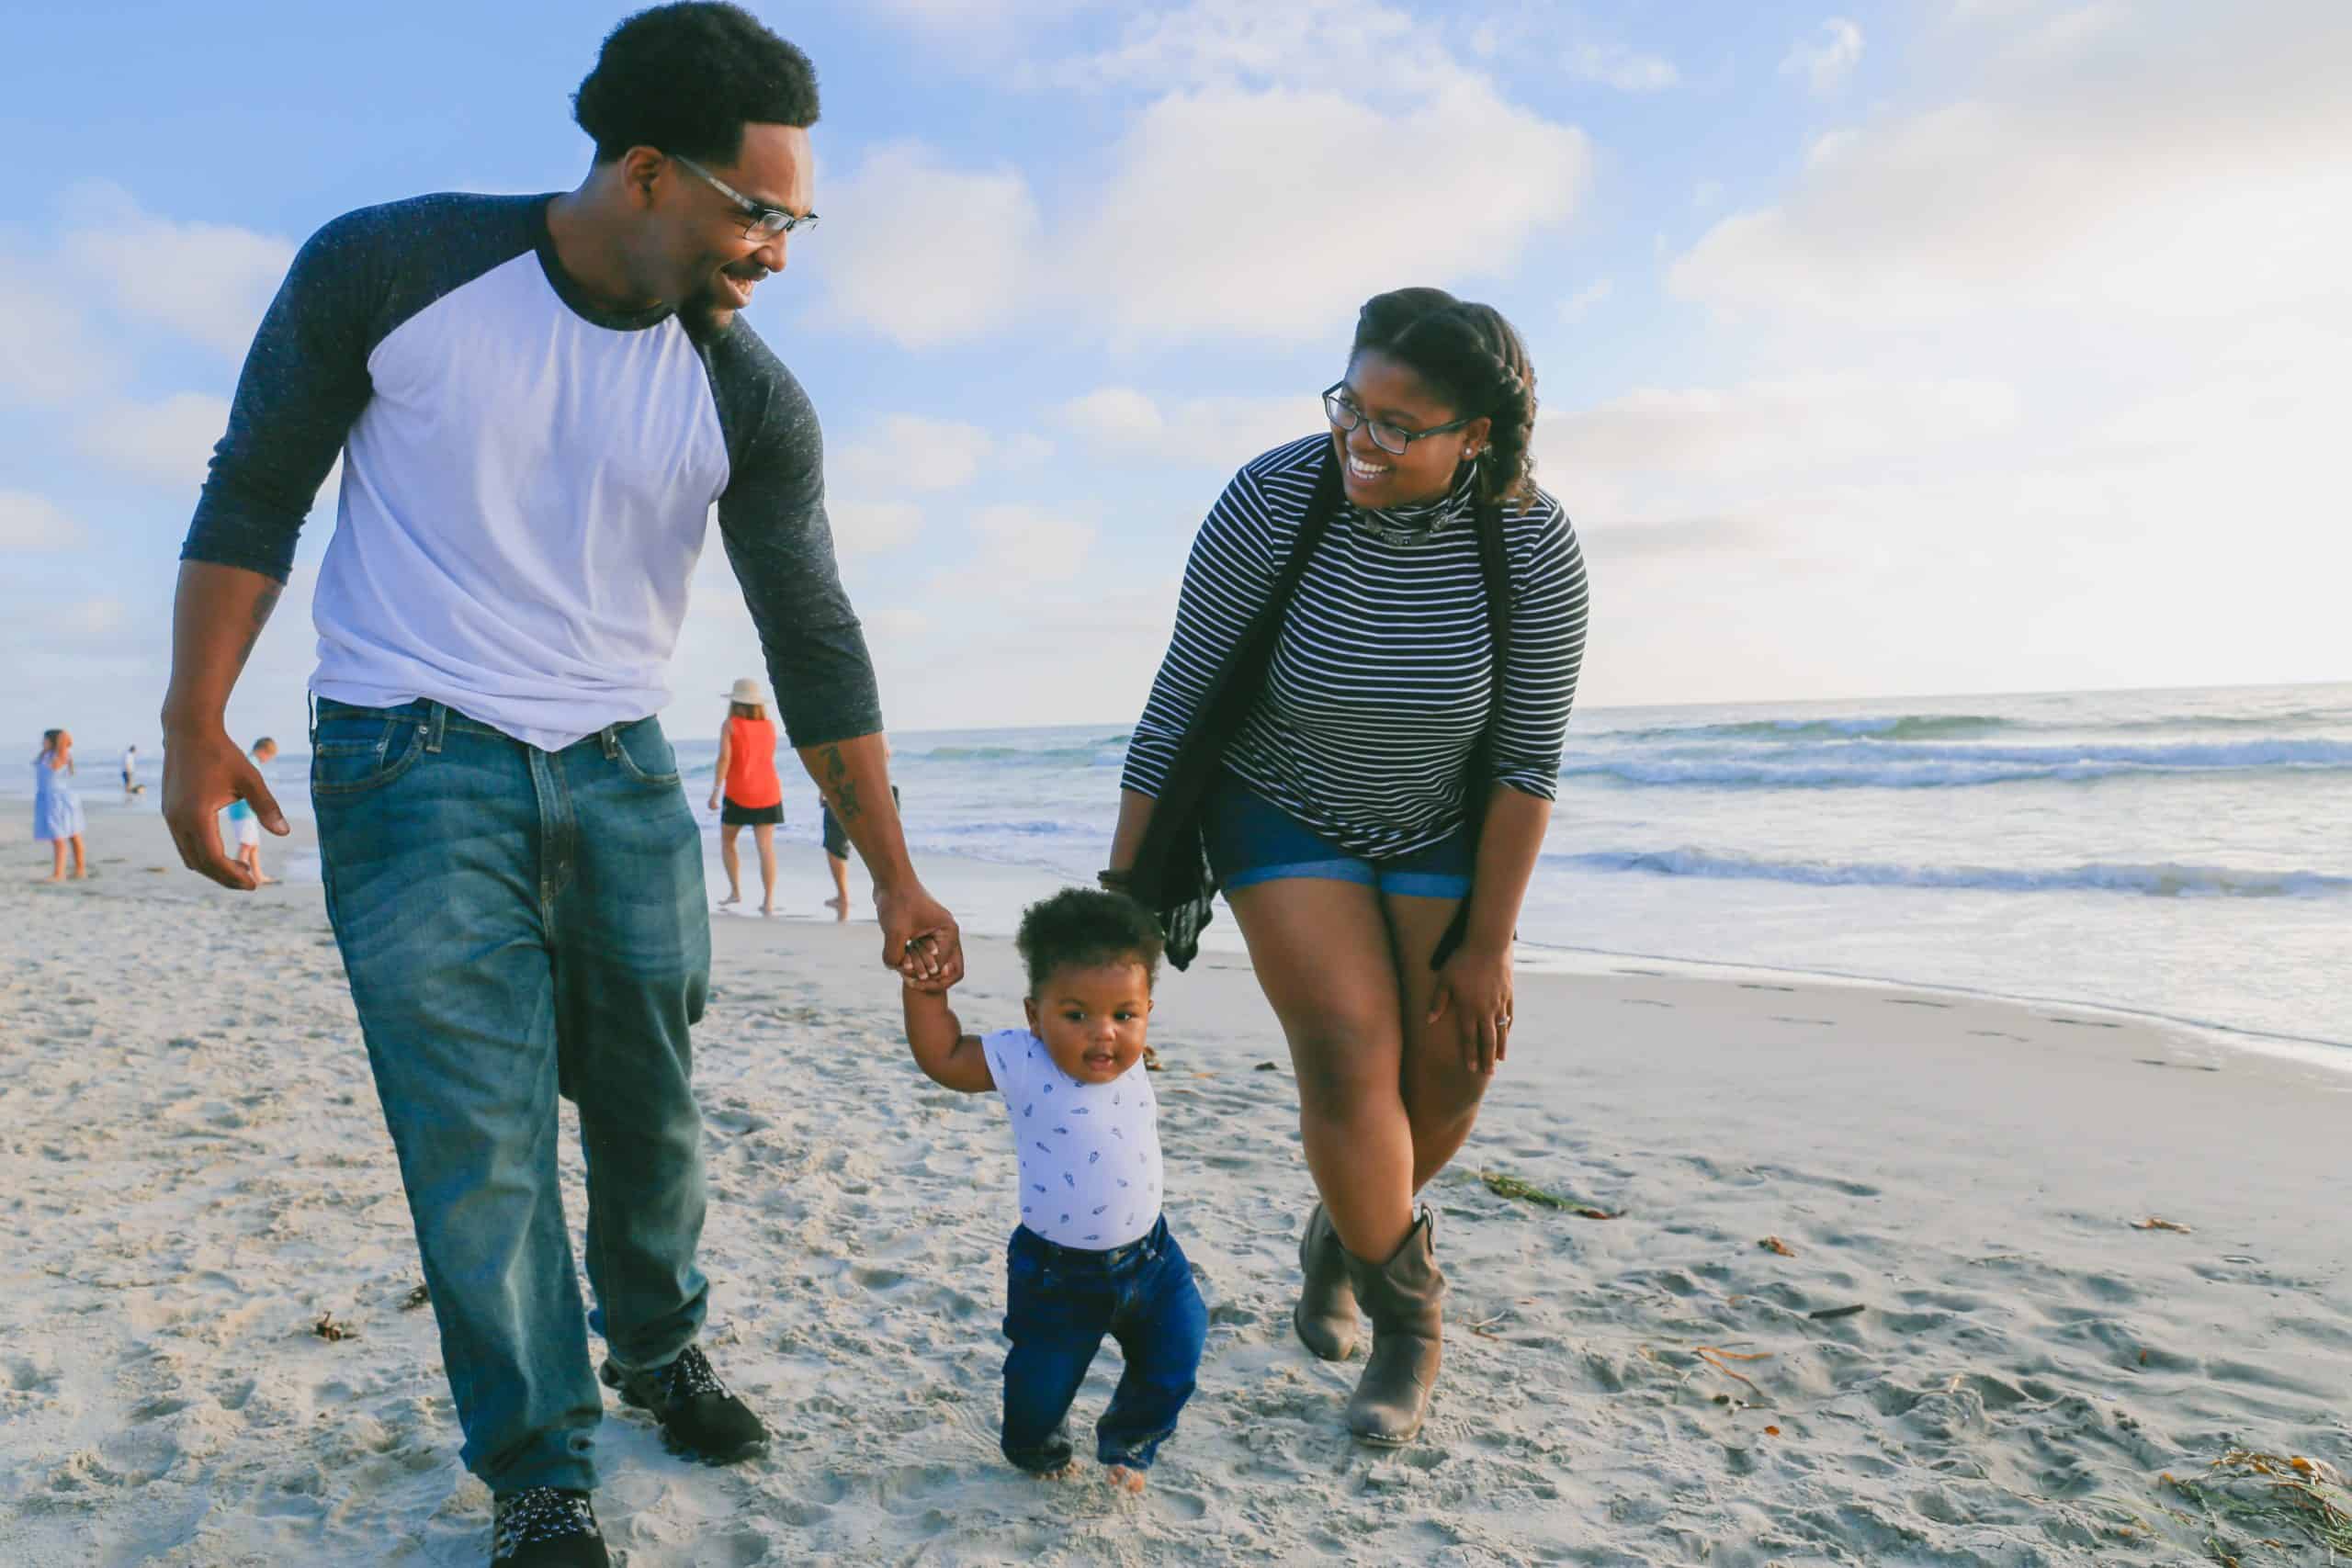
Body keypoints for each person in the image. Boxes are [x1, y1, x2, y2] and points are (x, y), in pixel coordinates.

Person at [159, 7, 962, 1564]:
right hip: (406, 757)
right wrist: (198, 717)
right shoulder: (389, 268)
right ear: (650, 174)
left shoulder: (748, 397)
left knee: (654, 1110)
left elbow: (814, 634)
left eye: (795, 218)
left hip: (619, 774)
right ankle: (541, 1460)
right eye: (763, 211)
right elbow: (258, 481)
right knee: (479, 1137)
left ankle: (657, 1345)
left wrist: (900, 868)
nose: (781, 250)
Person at [1109, 288, 1589, 1448]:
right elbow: (1182, 695)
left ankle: (1347, 1230)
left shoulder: (1529, 539)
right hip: (1279, 802)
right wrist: (1120, 907)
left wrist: (1488, 946)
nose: (1360, 442)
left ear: (1476, 433)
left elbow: (1528, 760)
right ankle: (1409, 1324)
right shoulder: (1277, 495)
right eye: (1350, 407)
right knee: (1346, 1057)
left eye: (1396, 425)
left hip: (1441, 822)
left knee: (1450, 1074)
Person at [901, 888, 1206, 1494]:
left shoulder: (1132, 1057)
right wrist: (925, 992)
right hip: (1057, 1276)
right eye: (1076, 1014)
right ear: (1035, 1013)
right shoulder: (1024, 1058)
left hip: (1151, 1258)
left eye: (1125, 1015)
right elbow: (943, 1055)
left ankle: (1131, 1439)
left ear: (1147, 1008)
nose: (1104, 1035)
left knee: (1179, 1349)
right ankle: (1036, 1445)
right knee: (1040, 1386)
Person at [707, 678, 782, 915]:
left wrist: (715, 791)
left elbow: (724, 759)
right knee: (765, 847)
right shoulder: (769, 726)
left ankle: (735, 891)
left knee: (728, 841)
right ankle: (768, 901)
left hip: (739, 791)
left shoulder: (730, 725)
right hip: (769, 791)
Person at [820, 746, 897, 918]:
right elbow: (885, 752)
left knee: (835, 845)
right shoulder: (871, 719)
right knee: (885, 847)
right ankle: (892, 895)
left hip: (843, 787)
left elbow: (825, 757)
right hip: (881, 787)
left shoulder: (831, 723)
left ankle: (843, 896)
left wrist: (824, 788)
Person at [33, 729, 87, 882]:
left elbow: (67, 741)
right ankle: (78, 870)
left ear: (54, 741)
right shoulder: (46, 755)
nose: (42, 743)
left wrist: (61, 737)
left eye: (45, 740)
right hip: (49, 799)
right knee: (68, 835)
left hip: (60, 800)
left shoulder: (61, 755)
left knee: (63, 836)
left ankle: (62, 873)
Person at [224, 737, 279, 885]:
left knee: (253, 845)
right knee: (246, 844)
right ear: (263, 752)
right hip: (243, 810)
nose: (267, 760)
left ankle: (258, 876)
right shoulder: (250, 763)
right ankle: (237, 875)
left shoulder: (249, 762)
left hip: (247, 810)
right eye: (269, 757)